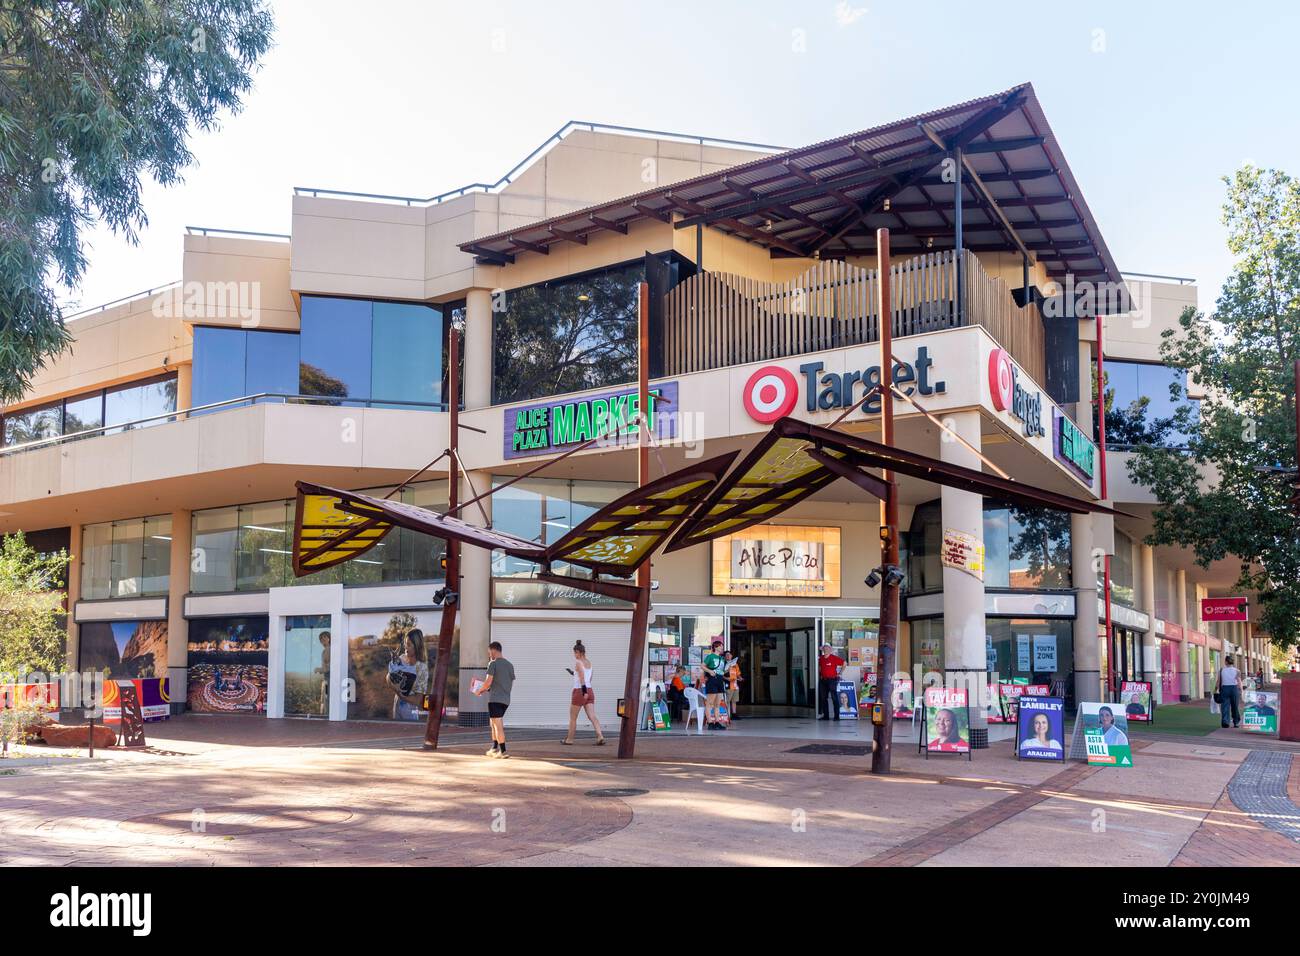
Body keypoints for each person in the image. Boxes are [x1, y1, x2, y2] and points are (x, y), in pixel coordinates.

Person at [474, 641, 515, 758]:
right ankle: (494, 747)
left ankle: (503, 751)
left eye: (489, 652)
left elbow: (488, 682)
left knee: (497, 725)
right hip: (506, 699)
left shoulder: (493, 663)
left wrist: (479, 690)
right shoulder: (510, 665)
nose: (489, 655)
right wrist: (490, 689)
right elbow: (508, 683)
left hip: (495, 699)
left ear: (493, 650)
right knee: (493, 723)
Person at [562, 640, 605, 746]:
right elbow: (588, 678)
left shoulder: (578, 662)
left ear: (579, 652)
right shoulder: (589, 663)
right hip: (590, 690)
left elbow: (581, 678)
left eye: (575, 653)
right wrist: (572, 673)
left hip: (580, 691)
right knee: (592, 716)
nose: (574, 655)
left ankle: (569, 739)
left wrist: (584, 692)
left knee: (573, 717)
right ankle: (600, 736)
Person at [387, 628, 429, 721]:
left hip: (410, 711)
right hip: (397, 705)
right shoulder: (401, 658)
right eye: (405, 644)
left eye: (409, 645)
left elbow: (419, 700)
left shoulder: (422, 668)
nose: (405, 647)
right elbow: (388, 677)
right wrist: (392, 683)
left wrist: (400, 693)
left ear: (417, 646)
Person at [702, 640, 727, 729]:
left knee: (717, 704)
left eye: (722, 646)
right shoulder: (710, 656)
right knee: (710, 703)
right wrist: (709, 671)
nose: (722, 648)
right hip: (712, 680)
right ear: (715, 647)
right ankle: (710, 723)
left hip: (720, 680)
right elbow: (702, 666)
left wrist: (728, 668)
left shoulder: (722, 658)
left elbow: (722, 671)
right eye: (720, 646)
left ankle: (717, 722)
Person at [817, 644, 844, 720]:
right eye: (824, 648)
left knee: (834, 698)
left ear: (830, 649)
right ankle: (826, 716)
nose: (825, 650)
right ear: (823, 650)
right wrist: (820, 674)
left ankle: (836, 716)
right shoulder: (821, 658)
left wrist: (840, 673)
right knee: (823, 698)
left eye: (827, 648)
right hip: (823, 680)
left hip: (832, 680)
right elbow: (820, 667)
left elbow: (844, 663)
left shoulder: (834, 658)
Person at [1216, 654, 1242, 729]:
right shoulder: (1237, 671)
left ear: (1226, 662)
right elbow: (1239, 681)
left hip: (1225, 689)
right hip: (1234, 689)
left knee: (1224, 706)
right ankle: (1236, 722)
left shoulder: (1221, 670)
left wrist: (1215, 690)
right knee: (1235, 706)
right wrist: (1241, 690)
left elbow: (1218, 681)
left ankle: (1225, 722)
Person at [724, 648, 742, 722]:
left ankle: (734, 714)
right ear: (724, 657)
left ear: (732, 656)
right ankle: (726, 714)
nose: (728, 656)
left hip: (735, 684)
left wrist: (740, 678)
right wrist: (726, 678)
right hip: (728, 684)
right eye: (726, 655)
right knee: (727, 700)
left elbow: (738, 673)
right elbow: (721, 674)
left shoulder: (735, 664)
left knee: (734, 700)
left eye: (729, 655)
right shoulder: (723, 664)